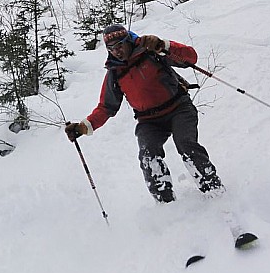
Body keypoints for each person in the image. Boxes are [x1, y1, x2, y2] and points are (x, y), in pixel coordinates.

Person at [64, 24, 223, 203]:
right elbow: (106, 107)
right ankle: (165, 202)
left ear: (128, 41)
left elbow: (190, 57)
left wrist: (164, 45)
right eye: (111, 49)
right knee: (148, 156)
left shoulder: (151, 50)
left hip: (179, 108)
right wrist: (83, 127)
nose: (117, 51)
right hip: (149, 121)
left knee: (186, 144)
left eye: (120, 45)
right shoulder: (115, 72)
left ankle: (212, 187)